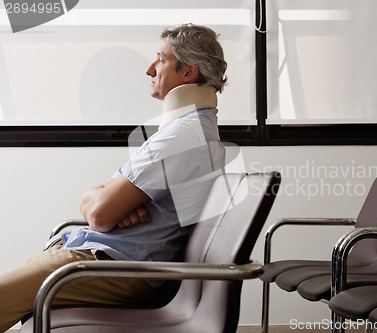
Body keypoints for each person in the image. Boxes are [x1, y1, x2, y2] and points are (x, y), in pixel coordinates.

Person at [0, 23, 227, 332]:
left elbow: (98, 212)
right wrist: (108, 199)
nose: (149, 69)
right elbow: (100, 203)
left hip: (108, 266)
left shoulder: (182, 137)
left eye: (159, 59)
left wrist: (106, 200)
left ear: (188, 73)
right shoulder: (187, 131)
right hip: (98, 257)